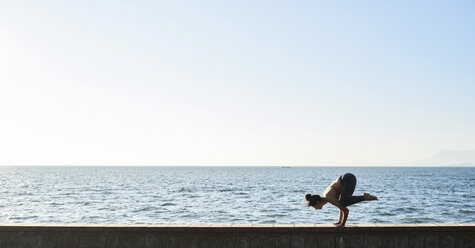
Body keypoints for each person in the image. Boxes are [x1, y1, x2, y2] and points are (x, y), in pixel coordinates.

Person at [305, 173, 377, 228]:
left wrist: (342, 224)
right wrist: (339, 221)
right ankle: (364, 196)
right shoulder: (327, 197)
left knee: (344, 202)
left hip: (348, 178)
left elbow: (346, 210)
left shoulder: (328, 198)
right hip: (347, 178)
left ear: (317, 202)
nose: (316, 209)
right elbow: (340, 207)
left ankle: (365, 197)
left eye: (315, 207)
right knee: (343, 202)